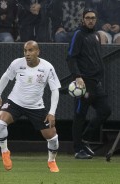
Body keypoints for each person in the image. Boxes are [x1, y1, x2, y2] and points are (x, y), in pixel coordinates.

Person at [0, 40, 61, 172]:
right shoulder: (17, 63)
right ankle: (5, 152)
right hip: (15, 102)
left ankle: (51, 161)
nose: (27, 53)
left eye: (31, 50)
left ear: (38, 52)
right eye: (25, 50)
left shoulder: (48, 67)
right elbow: (6, 77)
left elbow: (55, 90)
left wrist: (52, 112)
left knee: (53, 137)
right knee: (0, 123)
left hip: (36, 106)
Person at [66, 8, 111, 159]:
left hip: (96, 83)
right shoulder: (79, 34)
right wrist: (78, 76)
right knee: (80, 115)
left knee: (105, 111)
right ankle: (78, 150)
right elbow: (71, 58)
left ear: (96, 19)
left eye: (93, 18)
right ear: (83, 19)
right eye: (88, 18)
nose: (90, 20)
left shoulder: (97, 35)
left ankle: (84, 139)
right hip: (84, 83)